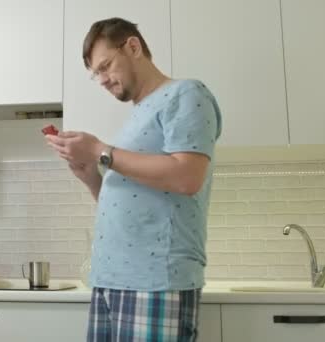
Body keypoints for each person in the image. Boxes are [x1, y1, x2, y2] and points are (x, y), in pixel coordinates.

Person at [46, 17, 222, 341]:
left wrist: (100, 149)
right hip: (110, 280)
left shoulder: (185, 94)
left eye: (105, 66)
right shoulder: (134, 119)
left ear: (133, 46)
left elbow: (187, 177)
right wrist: (91, 178)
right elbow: (131, 201)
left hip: (155, 282)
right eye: (95, 74)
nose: (101, 80)